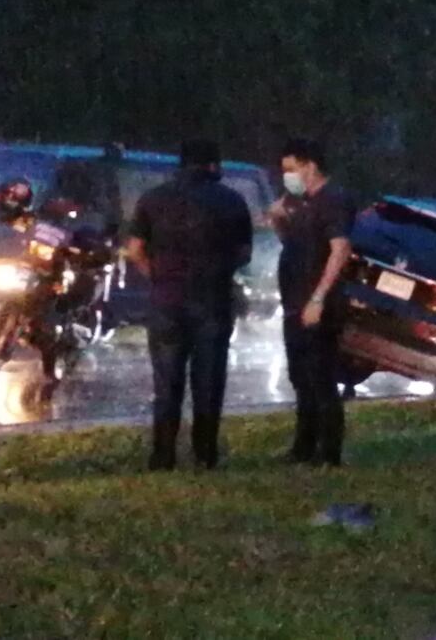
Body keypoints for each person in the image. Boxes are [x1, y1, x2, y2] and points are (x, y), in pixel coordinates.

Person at [126, 140, 253, 471]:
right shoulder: (231, 201)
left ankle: (163, 455)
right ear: (213, 165)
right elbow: (244, 254)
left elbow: (136, 249)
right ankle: (205, 454)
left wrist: (158, 276)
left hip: (167, 301)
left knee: (166, 383)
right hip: (212, 300)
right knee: (208, 381)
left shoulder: (152, 199)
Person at [269, 139, 357, 467]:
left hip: (319, 304)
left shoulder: (333, 200)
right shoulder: (302, 203)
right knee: (300, 377)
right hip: (295, 302)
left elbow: (340, 250)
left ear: (310, 166)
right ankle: (303, 446)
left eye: (291, 169)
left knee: (320, 378)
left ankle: (328, 451)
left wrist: (318, 297)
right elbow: (296, 246)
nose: (287, 177)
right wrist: (279, 220)